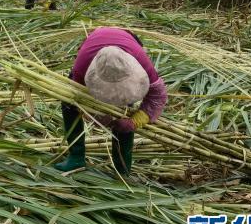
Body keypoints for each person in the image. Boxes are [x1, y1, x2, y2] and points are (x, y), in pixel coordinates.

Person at [53, 27, 168, 175]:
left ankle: (122, 167)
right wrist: (99, 117)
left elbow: (157, 96)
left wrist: (135, 121)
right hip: (94, 46)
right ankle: (76, 156)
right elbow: (79, 100)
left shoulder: (141, 61)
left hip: (126, 43)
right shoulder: (82, 66)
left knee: (124, 112)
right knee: (68, 104)